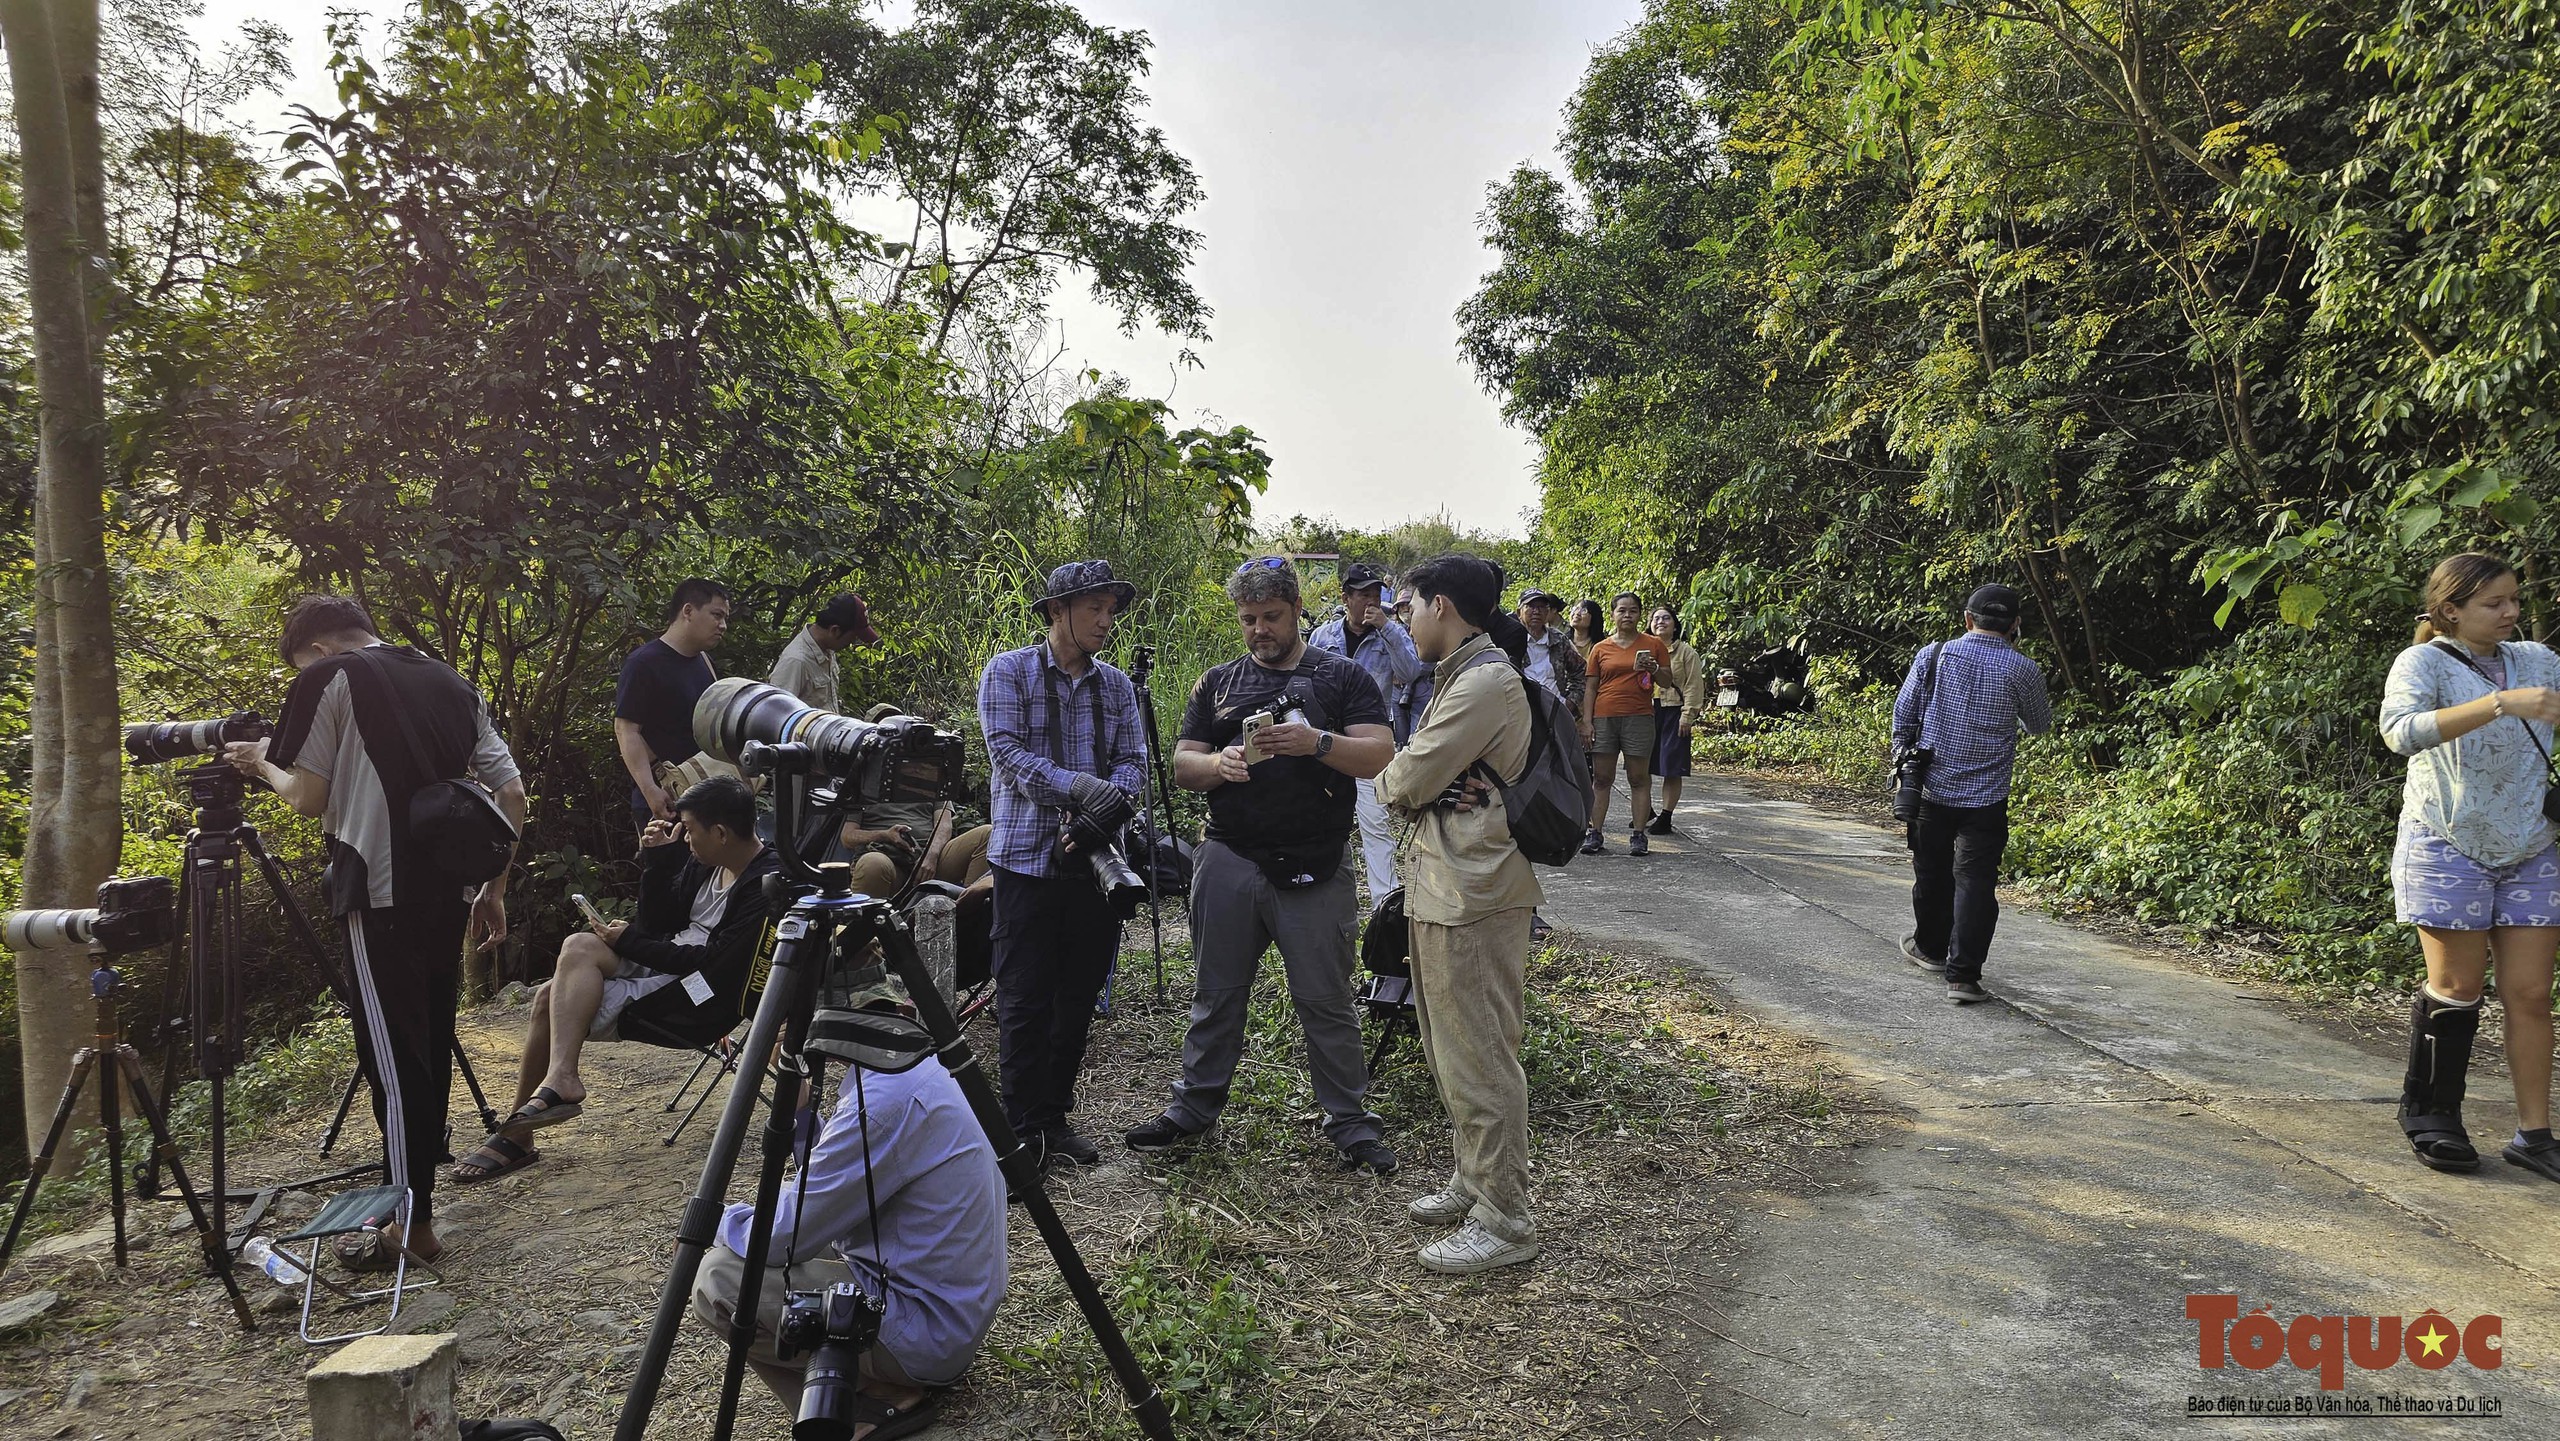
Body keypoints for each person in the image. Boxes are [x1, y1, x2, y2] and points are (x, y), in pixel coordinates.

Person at [223, 595, 526, 1267]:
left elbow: (307, 795)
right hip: (448, 892)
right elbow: (512, 793)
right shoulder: (450, 679)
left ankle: (408, 1226)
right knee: (425, 1048)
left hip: (377, 893)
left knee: (391, 1061)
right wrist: (493, 889)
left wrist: (262, 761)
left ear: (319, 650)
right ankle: (412, 1208)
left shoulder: (326, 678)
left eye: (301, 662)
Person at [1123, 557, 1399, 1173]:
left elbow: (1380, 754)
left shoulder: (1342, 677)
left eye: (1271, 617)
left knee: (1326, 1000)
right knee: (1215, 993)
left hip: (1316, 861)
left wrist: (1316, 743)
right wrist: (1218, 765)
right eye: (1248, 620)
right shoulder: (1216, 684)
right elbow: (1182, 765)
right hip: (1228, 856)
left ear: (1298, 609)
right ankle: (1192, 1109)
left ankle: (1350, 1122)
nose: (1260, 630)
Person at [453, 776, 780, 1183]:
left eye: (691, 830)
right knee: (578, 944)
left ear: (720, 832)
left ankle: (523, 1131)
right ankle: (560, 1080)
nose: (687, 840)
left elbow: (715, 962)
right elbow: (657, 923)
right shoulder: (707, 864)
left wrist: (631, 942)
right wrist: (659, 860)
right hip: (668, 960)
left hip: (697, 995)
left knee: (547, 1001)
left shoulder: (769, 883)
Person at [689, 1019, 1006, 1433]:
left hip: (924, 1332)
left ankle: (861, 1407)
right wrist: (800, 1111)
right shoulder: (910, 1068)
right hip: (943, 1312)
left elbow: (780, 1239)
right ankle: (870, 1389)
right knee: (756, 1252)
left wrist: (708, 1221)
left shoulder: (882, 1101)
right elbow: (830, 1197)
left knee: (719, 1279)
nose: (783, 1025)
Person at [1375, 553, 1543, 1274]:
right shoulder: (1461, 676)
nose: (1405, 619)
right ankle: (1476, 1182)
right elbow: (1421, 779)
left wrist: (1406, 780)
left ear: (1441, 605)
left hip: (1475, 892)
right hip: (1448, 885)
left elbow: (1404, 777)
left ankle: (1506, 1217)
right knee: (1452, 1049)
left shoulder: (1482, 682)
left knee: (1480, 1054)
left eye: (1409, 605)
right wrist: (1419, 781)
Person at [2379, 552, 2560, 1182]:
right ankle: (2433, 1114)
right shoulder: (2422, 661)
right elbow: (2401, 733)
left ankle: (2535, 1135)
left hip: (2532, 843)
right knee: (2457, 989)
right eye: (2494, 604)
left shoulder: (2539, 661)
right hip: (2446, 838)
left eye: (2514, 600)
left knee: (2532, 994)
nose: (2511, 612)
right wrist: (2502, 704)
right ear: (2451, 610)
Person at [977, 560, 1148, 1169]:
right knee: (1023, 999)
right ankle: (1020, 1129)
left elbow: (1133, 762)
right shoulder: (1008, 672)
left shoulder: (1118, 687)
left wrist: (1104, 814)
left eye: (1110, 610)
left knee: (1077, 998)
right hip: (1025, 861)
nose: (1106, 621)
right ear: (1056, 611)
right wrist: (1083, 791)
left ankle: (1053, 1118)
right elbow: (1009, 756)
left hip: (1096, 865)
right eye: (1093, 609)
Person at [1890, 583, 2052, 1005]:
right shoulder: (2024, 669)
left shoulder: (1934, 655)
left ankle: (1929, 950)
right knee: (1976, 882)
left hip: (1931, 788)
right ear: (2016, 625)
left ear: (1967, 619)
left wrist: (1904, 760)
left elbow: (1903, 715)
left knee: (1931, 871)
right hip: (1987, 796)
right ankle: (1963, 978)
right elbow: (2038, 725)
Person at [1308, 562, 1429, 896]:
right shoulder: (1323, 636)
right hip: (1326, 741)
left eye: (1376, 594)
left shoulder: (1389, 634)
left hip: (1369, 741)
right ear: (1346, 598)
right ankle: (1321, 890)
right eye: (1363, 594)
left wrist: (1388, 629)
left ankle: (1383, 901)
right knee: (1319, 817)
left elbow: (1410, 671)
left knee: (1375, 823)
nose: (1371, 600)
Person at [844, 704, 994, 900]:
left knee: (987, 834)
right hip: (887, 860)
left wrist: (930, 856)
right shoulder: (861, 777)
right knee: (873, 863)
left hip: (930, 860)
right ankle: (867, 927)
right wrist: (884, 835)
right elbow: (847, 836)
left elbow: (944, 823)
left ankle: (965, 916)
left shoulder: (928, 770)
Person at [616, 577, 731, 830]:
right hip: (665, 799)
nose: (722, 625)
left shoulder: (704, 661)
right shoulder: (644, 663)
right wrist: (649, 790)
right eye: (716, 615)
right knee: (664, 869)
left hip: (705, 795)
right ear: (688, 611)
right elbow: (626, 730)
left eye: (725, 618)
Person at [1579, 592, 1673, 856]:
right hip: (1605, 716)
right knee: (1602, 778)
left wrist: (1654, 668)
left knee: (1638, 778)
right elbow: (1591, 687)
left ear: (1640, 614)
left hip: (1640, 717)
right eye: (1622, 610)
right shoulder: (1600, 648)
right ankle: (1595, 833)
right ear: (1613, 615)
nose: (1627, 615)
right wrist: (1587, 722)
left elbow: (1666, 682)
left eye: (1633, 611)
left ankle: (1639, 835)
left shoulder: (1654, 645)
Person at [1642, 606, 1704, 835]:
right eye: (1656, 618)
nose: (1660, 622)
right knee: (1640, 764)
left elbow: (1694, 686)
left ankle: (1666, 816)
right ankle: (1644, 811)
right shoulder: (1642, 650)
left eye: (1666, 618)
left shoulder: (1686, 652)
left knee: (1671, 766)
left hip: (1674, 711)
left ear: (1675, 625)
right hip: (1645, 711)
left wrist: (1687, 716)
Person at [768, 592, 879, 713]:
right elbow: (775, 715)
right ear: (835, 630)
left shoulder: (828, 650)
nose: (852, 643)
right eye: (852, 637)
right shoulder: (796, 661)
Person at [1517, 589, 1588, 723]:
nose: (1536, 611)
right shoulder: (1512, 640)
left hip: (1556, 713)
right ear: (1519, 612)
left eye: (1541, 607)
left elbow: (1581, 671)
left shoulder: (1558, 639)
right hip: (1522, 714)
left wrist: (1570, 702)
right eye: (1531, 606)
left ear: (1548, 612)